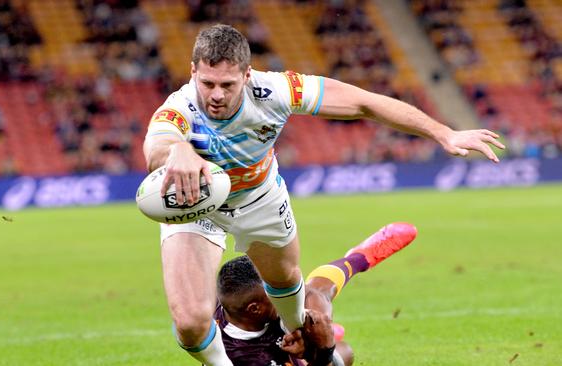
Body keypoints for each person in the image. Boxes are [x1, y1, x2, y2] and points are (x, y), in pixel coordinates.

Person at [142, 24, 505, 365]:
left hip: (258, 196)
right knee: (190, 322)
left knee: (286, 287)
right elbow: (156, 145)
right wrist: (177, 150)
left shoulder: (278, 90)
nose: (216, 95)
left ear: (247, 75)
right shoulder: (179, 108)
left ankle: (297, 332)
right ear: (193, 73)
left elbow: (365, 103)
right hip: (196, 205)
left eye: (227, 84)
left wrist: (443, 133)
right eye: (207, 83)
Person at [216, 222, 417, 366]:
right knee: (345, 352)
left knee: (311, 295)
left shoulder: (233, 303)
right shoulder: (245, 357)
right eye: (270, 290)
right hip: (279, 353)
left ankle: (360, 257)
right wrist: (324, 349)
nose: (276, 290)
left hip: (280, 327)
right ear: (255, 308)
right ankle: (324, 334)